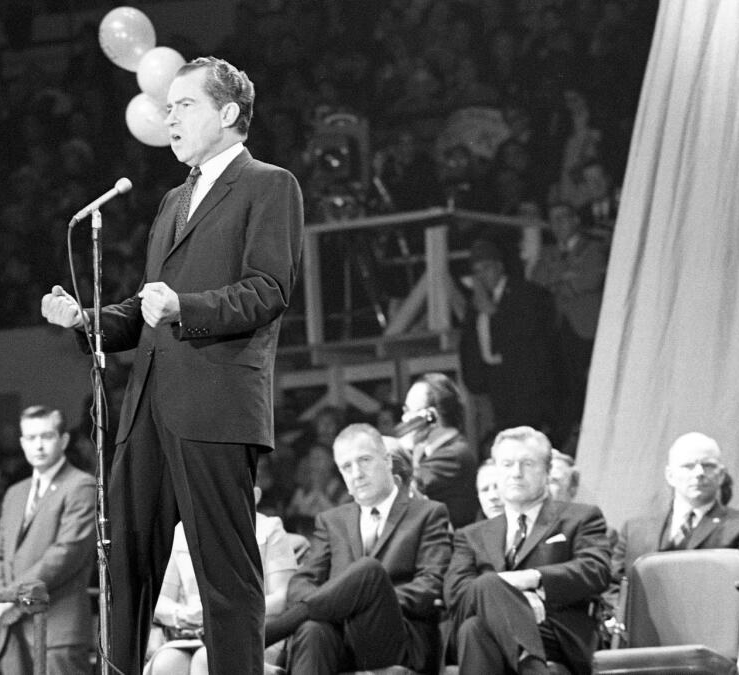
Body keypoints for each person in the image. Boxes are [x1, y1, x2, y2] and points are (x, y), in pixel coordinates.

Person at [40, 56, 304, 675]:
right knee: (126, 565)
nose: (169, 116)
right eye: (170, 106)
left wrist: (185, 306)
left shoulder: (270, 184)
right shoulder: (173, 199)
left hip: (215, 407)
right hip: (148, 408)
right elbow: (145, 307)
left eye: (185, 105)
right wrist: (87, 320)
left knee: (225, 575)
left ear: (228, 113)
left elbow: (269, 289)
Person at [266, 424, 452, 674]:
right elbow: (302, 583)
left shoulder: (428, 514)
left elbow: (431, 584)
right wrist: (338, 604)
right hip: (339, 636)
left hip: (397, 636)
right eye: (346, 467)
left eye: (365, 460)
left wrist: (368, 598)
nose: (357, 474)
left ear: (387, 461)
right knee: (313, 630)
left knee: (369, 572)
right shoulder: (332, 520)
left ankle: (269, 633)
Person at [444, 426, 611, 675]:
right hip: (491, 627)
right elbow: (456, 594)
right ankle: (531, 666)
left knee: (475, 627)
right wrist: (509, 598)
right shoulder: (471, 535)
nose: (516, 473)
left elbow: (595, 569)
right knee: (480, 606)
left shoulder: (580, 517)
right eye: (507, 464)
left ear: (547, 471)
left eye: (527, 463)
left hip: (554, 631)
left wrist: (532, 578)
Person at [0, 406, 96, 674]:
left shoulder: (83, 485)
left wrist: (10, 596)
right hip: (12, 626)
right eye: (31, 438)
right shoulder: (15, 492)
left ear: (64, 440)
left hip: (57, 625)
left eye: (46, 436)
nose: (38, 445)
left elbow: (67, 553)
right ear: (22, 443)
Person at [144, 487, 298, 675]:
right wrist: (182, 614)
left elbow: (283, 597)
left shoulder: (269, 528)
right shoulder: (183, 531)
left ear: (255, 496)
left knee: (207, 659)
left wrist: (227, 613)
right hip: (193, 634)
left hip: (254, 633)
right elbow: (161, 600)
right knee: (166, 663)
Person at [611, 432, 739, 592]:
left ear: (721, 475)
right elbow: (614, 584)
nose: (699, 473)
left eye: (708, 465)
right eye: (688, 466)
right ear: (670, 475)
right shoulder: (634, 530)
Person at [458, 238, 558, 450]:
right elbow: (469, 343)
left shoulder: (527, 294)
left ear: (499, 266)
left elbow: (528, 336)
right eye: (477, 271)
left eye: (486, 268)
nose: (482, 276)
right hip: (495, 387)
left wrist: (494, 313)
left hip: (527, 388)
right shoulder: (476, 303)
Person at [529, 204, 607, 440]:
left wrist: (558, 281)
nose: (558, 224)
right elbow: (537, 281)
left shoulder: (593, 248)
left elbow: (590, 279)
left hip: (585, 327)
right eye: (553, 219)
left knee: (587, 381)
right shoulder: (548, 253)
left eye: (563, 218)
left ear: (575, 221)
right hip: (557, 327)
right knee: (563, 383)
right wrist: (566, 276)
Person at [398, 373, 480, 528]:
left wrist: (404, 449)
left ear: (431, 416)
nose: (404, 419)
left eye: (409, 411)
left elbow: (405, 491)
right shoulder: (427, 452)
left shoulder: (454, 454)